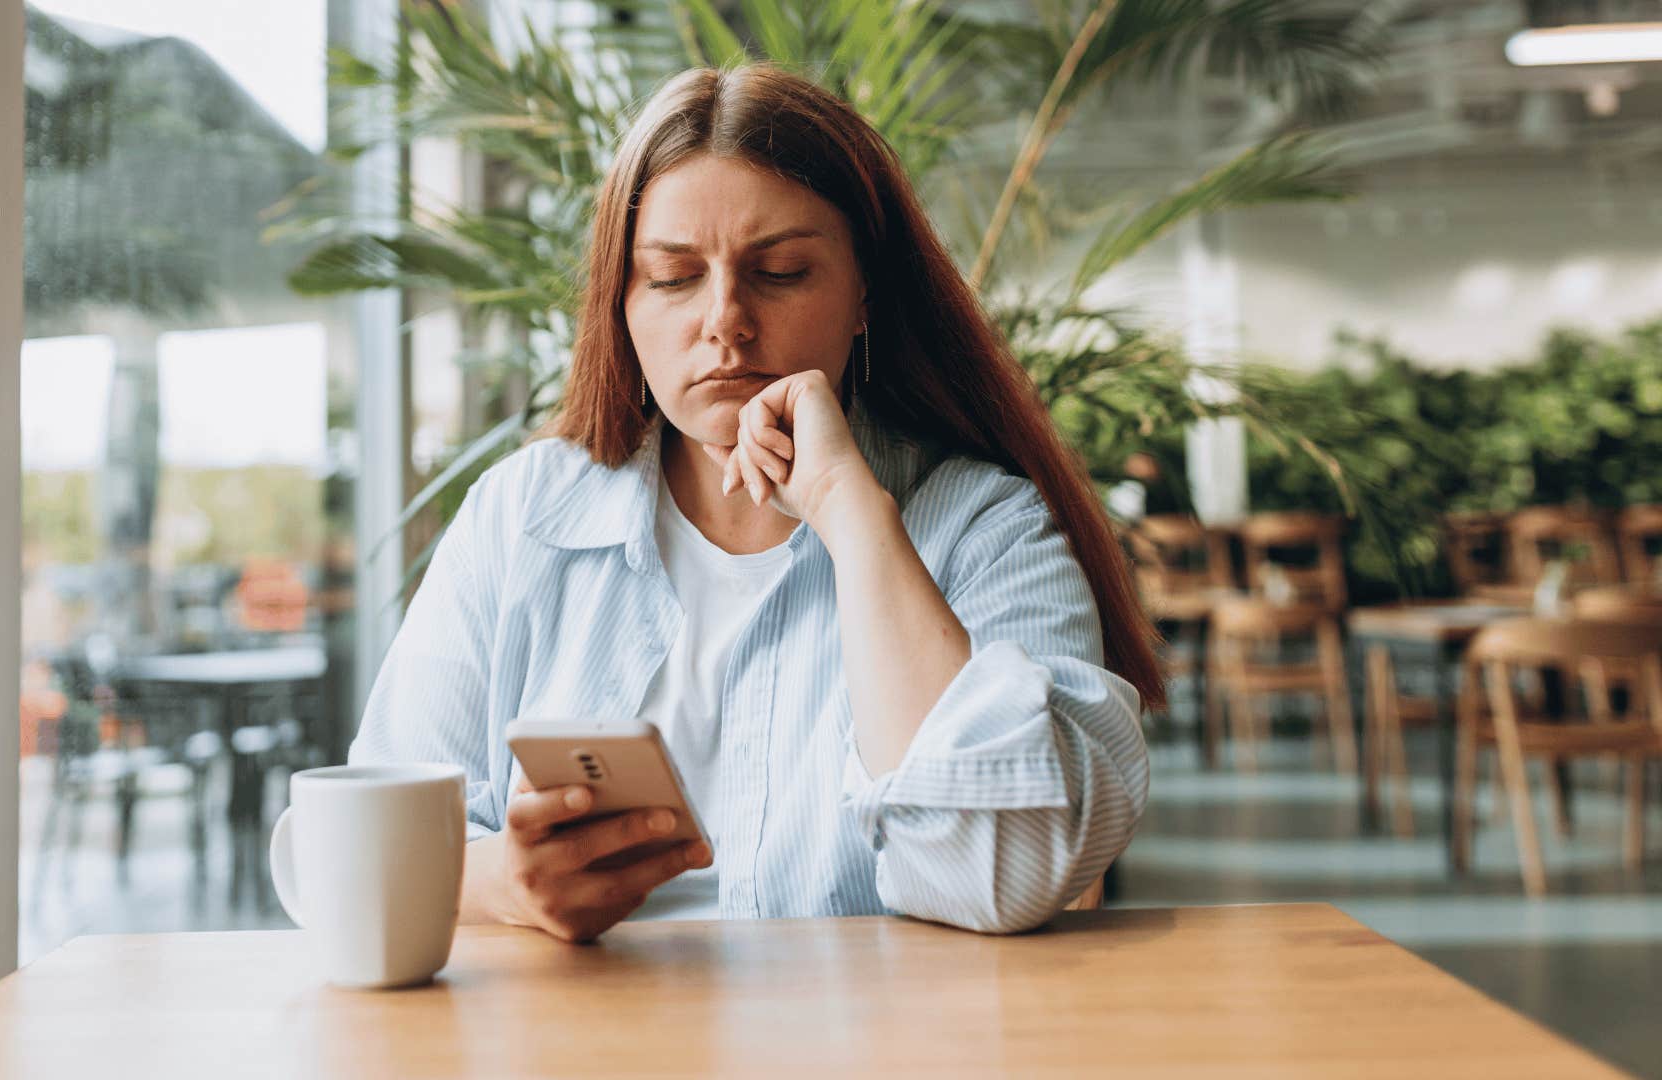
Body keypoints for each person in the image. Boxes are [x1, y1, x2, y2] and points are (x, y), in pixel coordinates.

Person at [350, 65, 1160, 943]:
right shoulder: (522, 518)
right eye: (671, 279)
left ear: (865, 299)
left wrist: (853, 514)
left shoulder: (985, 529)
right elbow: (355, 844)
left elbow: (1004, 872)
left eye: (779, 272)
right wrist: (506, 885)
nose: (725, 321)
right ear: (620, 304)